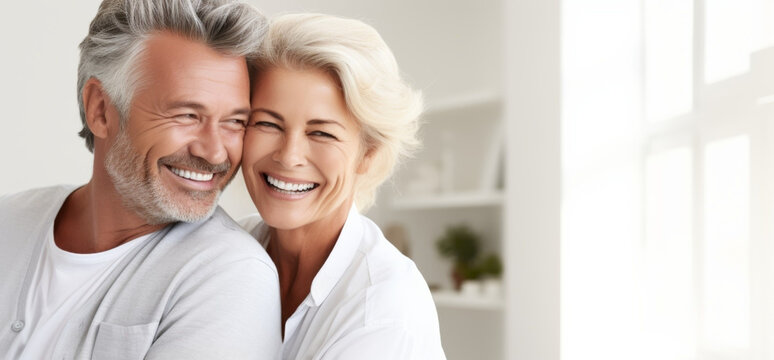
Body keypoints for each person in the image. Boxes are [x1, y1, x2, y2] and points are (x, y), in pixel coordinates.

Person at [0, 0, 281, 359]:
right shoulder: (7, 220)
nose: (214, 153)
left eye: (234, 122)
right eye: (186, 114)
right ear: (101, 109)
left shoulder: (231, 277)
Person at [240, 13, 446, 359]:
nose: (289, 157)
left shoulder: (382, 309)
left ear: (368, 154)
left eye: (321, 133)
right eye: (267, 123)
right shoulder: (226, 250)